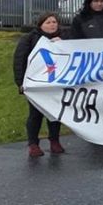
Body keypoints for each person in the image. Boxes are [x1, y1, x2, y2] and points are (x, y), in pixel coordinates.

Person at [14, 12, 64, 158]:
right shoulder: (29, 39)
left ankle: (54, 140)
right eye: (48, 22)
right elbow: (20, 61)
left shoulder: (64, 38)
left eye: (54, 22)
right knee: (35, 114)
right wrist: (20, 82)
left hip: (56, 83)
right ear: (41, 25)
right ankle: (33, 144)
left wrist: (62, 44)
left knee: (54, 114)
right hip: (36, 84)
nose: (52, 25)